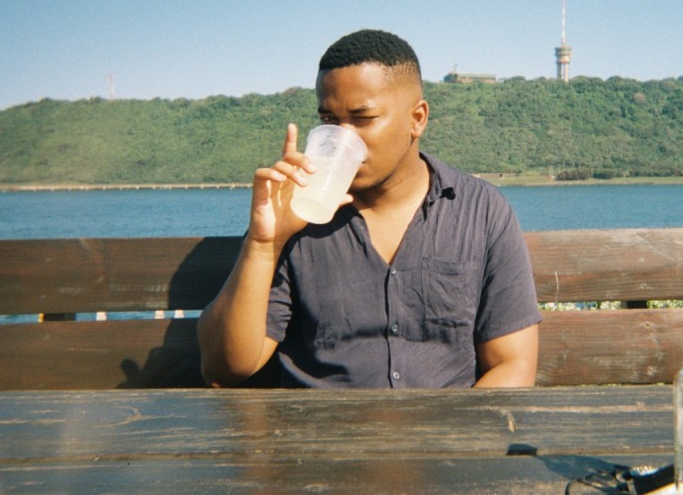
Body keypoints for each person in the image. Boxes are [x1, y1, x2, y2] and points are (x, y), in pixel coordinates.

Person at [197, 29, 541, 388]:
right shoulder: (297, 215)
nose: (342, 139)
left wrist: (450, 426)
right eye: (329, 121)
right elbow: (224, 368)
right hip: (320, 423)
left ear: (417, 119)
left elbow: (513, 364)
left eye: (362, 118)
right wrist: (263, 244)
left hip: (446, 422)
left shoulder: (480, 211)